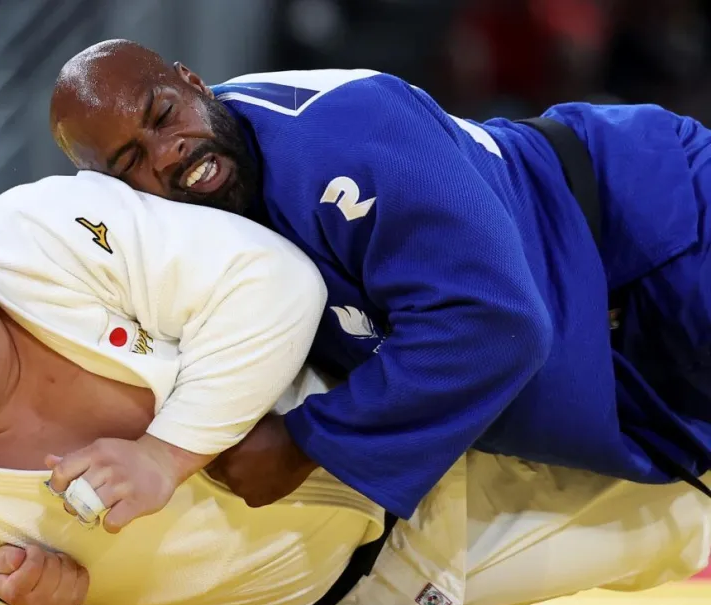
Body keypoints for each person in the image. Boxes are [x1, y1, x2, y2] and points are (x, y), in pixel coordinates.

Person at [0, 173, 711, 605]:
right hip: (367, 590)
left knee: (646, 374)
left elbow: (271, 281)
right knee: (677, 524)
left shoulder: (46, 237)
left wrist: (164, 455)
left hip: (386, 417)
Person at [49, 40, 711, 523]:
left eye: (164, 115)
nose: (169, 152)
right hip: (598, 310)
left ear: (193, 81)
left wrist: (311, 440)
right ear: (111, 191)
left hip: (652, 211)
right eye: (132, 159)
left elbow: (493, 319)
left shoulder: (338, 135)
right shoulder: (170, 232)